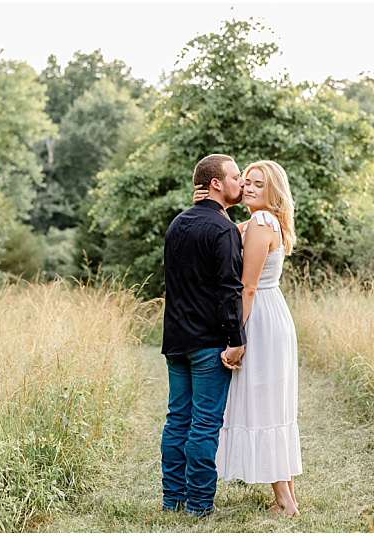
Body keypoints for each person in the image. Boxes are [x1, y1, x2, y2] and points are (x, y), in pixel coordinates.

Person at [193, 159, 302, 517]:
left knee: (264, 406)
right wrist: (209, 206)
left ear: (272, 190)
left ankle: (285, 501)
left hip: (260, 316)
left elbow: (248, 286)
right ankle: (285, 497)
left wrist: (234, 335)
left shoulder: (260, 222)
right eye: (247, 182)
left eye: (257, 184)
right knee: (272, 404)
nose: (249, 188)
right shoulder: (265, 221)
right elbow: (227, 230)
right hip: (275, 312)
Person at [161, 154, 248, 517]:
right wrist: (236, 339)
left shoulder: (177, 224)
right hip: (209, 341)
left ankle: (172, 499)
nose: (241, 183)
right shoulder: (222, 230)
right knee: (205, 424)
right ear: (216, 183)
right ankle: (198, 504)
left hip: (176, 339)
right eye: (235, 177)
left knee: (177, 419)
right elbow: (228, 289)